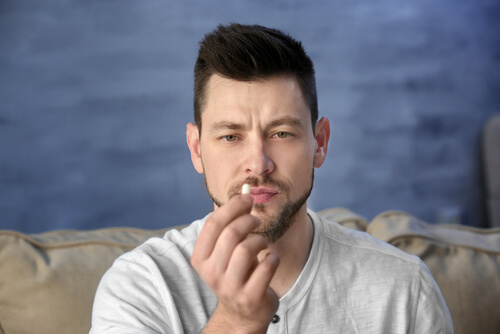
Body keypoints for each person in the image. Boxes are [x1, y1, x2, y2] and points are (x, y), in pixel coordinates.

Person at [90, 23, 453, 333]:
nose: (258, 164)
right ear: (197, 149)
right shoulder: (140, 286)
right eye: (230, 136)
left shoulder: (404, 287)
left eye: (281, 133)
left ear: (320, 143)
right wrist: (234, 323)